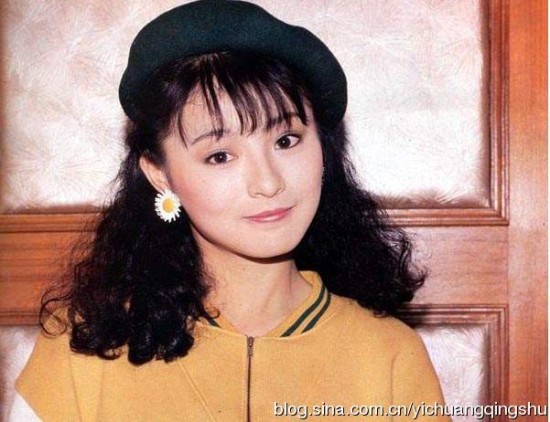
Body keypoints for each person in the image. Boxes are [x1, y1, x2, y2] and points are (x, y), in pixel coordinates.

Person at [13, 1, 450, 420]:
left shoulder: (390, 355)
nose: (268, 183)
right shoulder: (81, 349)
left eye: (286, 141)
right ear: (160, 174)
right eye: (220, 155)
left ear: (323, 150)